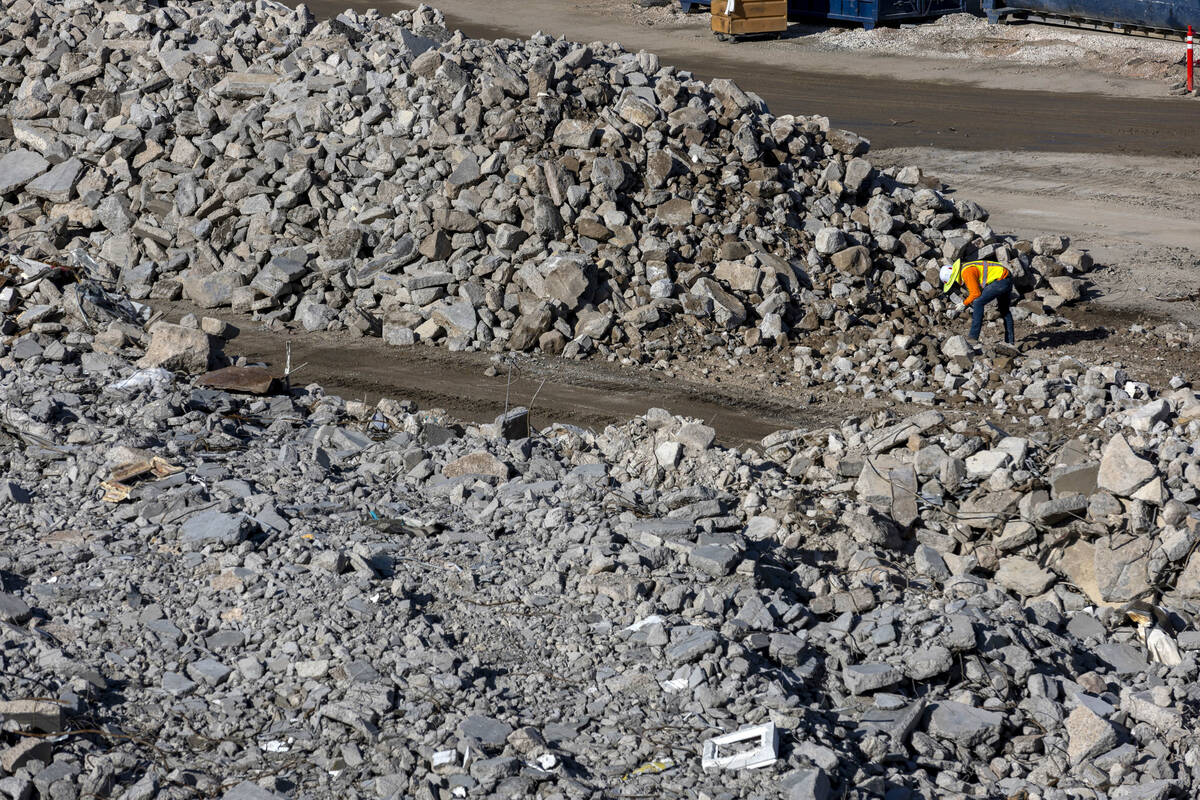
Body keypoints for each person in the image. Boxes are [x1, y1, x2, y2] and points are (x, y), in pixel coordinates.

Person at [939, 259, 1015, 345]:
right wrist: (966, 303)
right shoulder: (965, 267)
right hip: (1006, 277)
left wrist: (964, 304)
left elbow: (976, 293)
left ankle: (973, 338)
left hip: (1000, 280)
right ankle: (1010, 342)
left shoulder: (966, 272)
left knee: (978, 302)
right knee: (1004, 310)